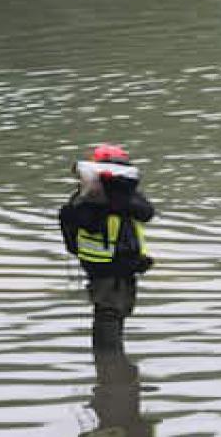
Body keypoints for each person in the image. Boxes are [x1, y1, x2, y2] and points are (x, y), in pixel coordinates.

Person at [59, 144, 155, 357]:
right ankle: (108, 363)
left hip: (121, 267)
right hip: (105, 269)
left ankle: (111, 367)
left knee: (117, 311)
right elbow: (85, 224)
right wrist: (107, 198)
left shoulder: (122, 196)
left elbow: (146, 212)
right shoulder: (88, 199)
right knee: (109, 314)